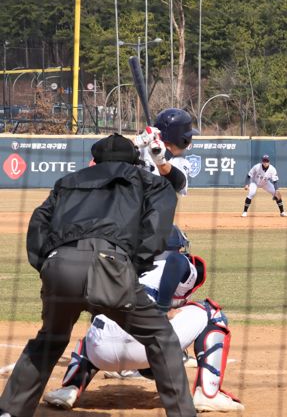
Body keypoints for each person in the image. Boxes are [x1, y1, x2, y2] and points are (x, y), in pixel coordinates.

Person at [0, 133, 195, 417]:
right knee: (161, 338)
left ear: (96, 158)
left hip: (59, 266)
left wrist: (46, 264)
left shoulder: (67, 182)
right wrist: (133, 266)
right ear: (133, 160)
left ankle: (10, 412)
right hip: (112, 265)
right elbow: (157, 228)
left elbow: (38, 224)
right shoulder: (147, 181)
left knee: (50, 339)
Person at [43, 226, 244, 413]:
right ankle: (208, 393)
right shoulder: (181, 261)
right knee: (212, 312)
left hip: (101, 352)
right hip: (148, 343)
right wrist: (164, 307)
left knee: (98, 326)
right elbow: (175, 262)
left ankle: (70, 388)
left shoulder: (125, 261)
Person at [134, 108, 198, 195]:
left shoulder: (181, 161)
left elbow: (180, 184)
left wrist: (161, 162)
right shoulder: (141, 148)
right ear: (181, 140)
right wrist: (134, 143)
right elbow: (111, 156)